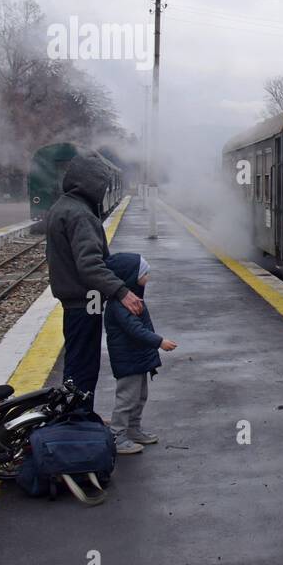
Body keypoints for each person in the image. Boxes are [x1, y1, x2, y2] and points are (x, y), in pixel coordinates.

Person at [45, 155, 141, 404]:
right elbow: (89, 265)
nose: (104, 189)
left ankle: (79, 415)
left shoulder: (62, 207)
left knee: (77, 362)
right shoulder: (81, 215)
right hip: (85, 300)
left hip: (74, 300)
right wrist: (121, 291)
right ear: (92, 184)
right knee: (84, 366)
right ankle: (78, 419)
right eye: (102, 184)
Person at [104, 252, 177, 455]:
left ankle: (133, 429)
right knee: (126, 399)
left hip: (137, 358)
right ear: (130, 277)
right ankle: (117, 436)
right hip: (128, 360)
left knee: (139, 396)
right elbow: (135, 330)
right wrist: (159, 342)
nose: (149, 276)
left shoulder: (132, 299)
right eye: (144, 273)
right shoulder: (120, 305)